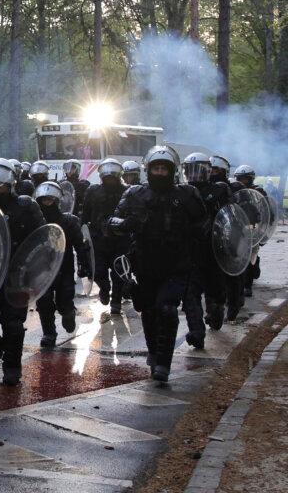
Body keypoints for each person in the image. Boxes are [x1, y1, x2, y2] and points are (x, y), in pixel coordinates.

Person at [108, 146, 205, 381]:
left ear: (172, 171)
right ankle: (154, 352)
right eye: (156, 168)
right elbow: (112, 220)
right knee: (150, 312)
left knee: (168, 309)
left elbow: (204, 223)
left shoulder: (187, 194)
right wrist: (128, 223)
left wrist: (192, 235)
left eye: (164, 168)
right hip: (145, 264)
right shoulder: (134, 194)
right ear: (149, 169)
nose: (160, 172)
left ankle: (164, 363)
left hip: (177, 265)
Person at [0, 158, 46, 386]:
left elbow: (42, 239)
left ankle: (13, 365)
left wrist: (37, 270)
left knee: (13, 325)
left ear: (11, 184)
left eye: (1, 186)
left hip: (17, 276)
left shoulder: (26, 206)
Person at [180, 153, 232, 345]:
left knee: (215, 290)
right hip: (189, 250)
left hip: (212, 249)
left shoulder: (219, 190)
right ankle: (197, 332)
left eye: (197, 170)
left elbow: (230, 218)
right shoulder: (180, 192)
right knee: (190, 294)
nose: (193, 175)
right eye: (189, 170)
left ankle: (216, 312)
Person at [34, 181, 89, 349]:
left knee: (64, 300)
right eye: (44, 200)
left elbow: (81, 245)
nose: (47, 203)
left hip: (64, 269)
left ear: (57, 200)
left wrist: (84, 264)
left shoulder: (68, 221)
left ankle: (68, 313)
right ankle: (49, 333)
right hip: (41, 270)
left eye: (50, 200)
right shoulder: (34, 221)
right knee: (44, 302)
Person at [82, 158, 128, 318]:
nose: (109, 179)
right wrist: (83, 231)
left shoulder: (127, 191)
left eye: (112, 176)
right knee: (98, 271)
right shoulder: (93, 191)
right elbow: (85, 213)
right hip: (98, 239)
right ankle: (104, 288)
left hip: (119, 239)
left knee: (118, 272)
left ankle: (116, 302)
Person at [230, 165, 266, 298]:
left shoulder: (258, 192)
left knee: (251, 256)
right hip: (236, 230)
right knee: (237, 256)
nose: (244, 182)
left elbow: (266, 211)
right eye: (241, 179)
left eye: (246, 179)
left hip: (252, 229)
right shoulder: (233, 191)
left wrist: (262, 230)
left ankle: (248, 285)